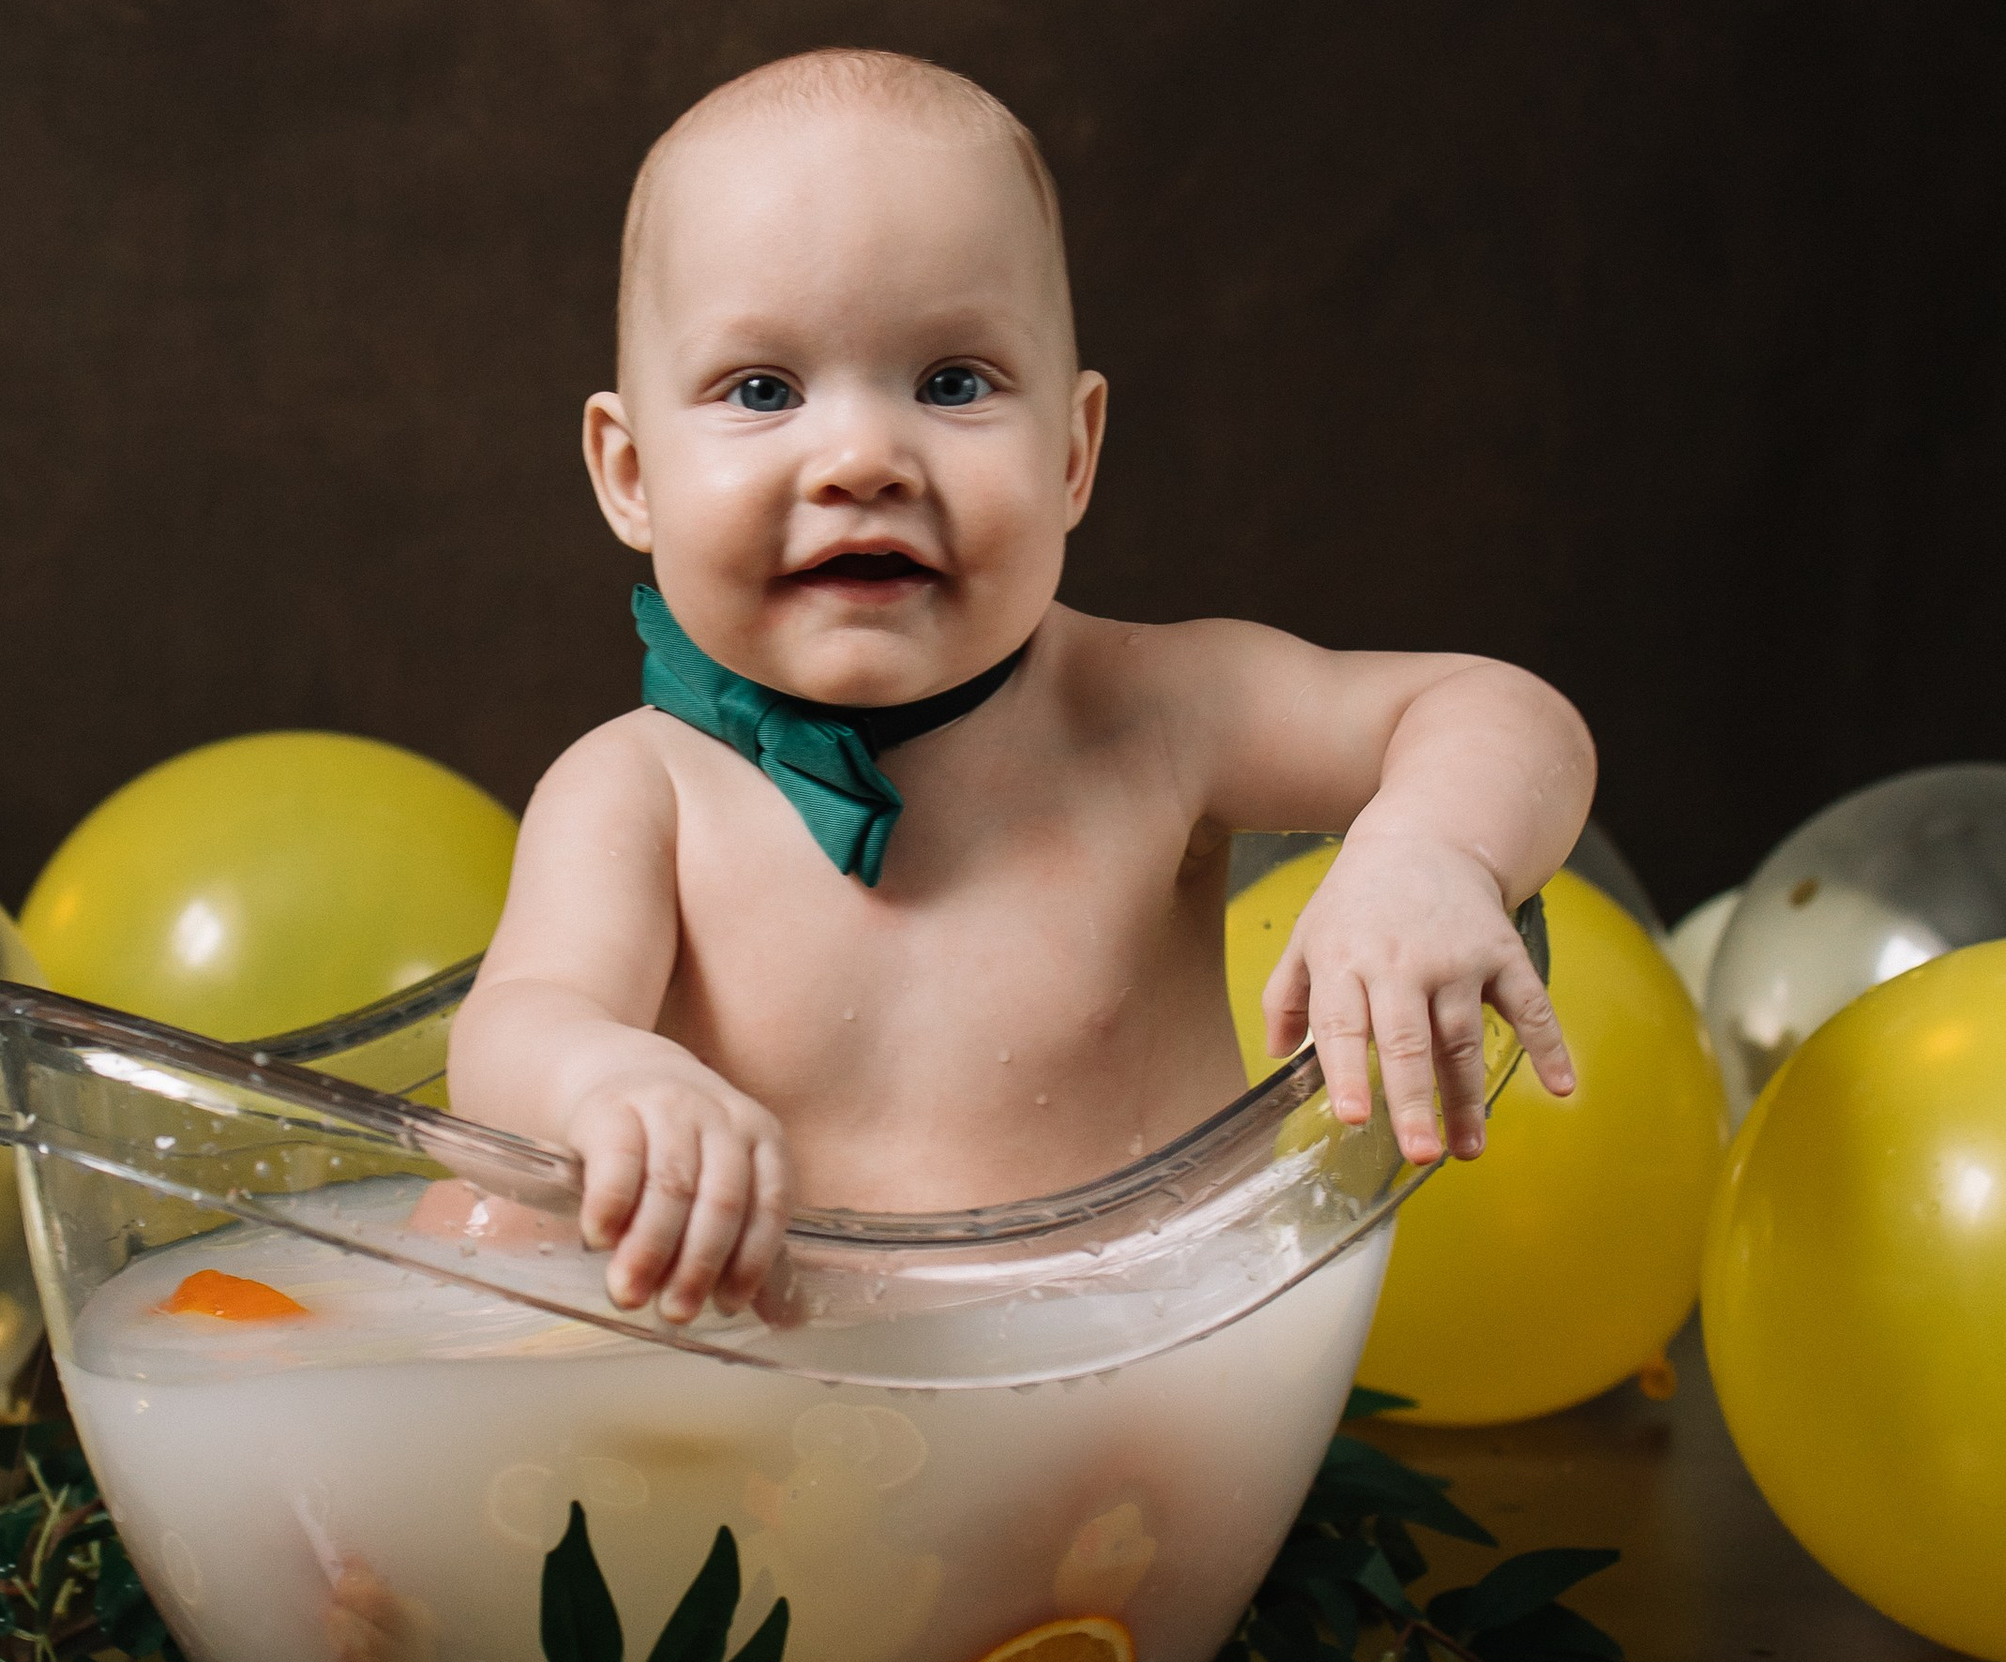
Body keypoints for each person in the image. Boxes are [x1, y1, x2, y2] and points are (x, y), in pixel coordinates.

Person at [444, 48, 1591, 1328]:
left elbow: (1497, 711)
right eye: (761, 389)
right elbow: (511, 1033)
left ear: (1072, 452)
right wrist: (607, 1081)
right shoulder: (640, 790)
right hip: (743, 1408)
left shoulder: (1161, 709)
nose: (863, 458)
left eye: (952, 384)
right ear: (631, 472)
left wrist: (1426, 850)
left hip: (1136, 1391)